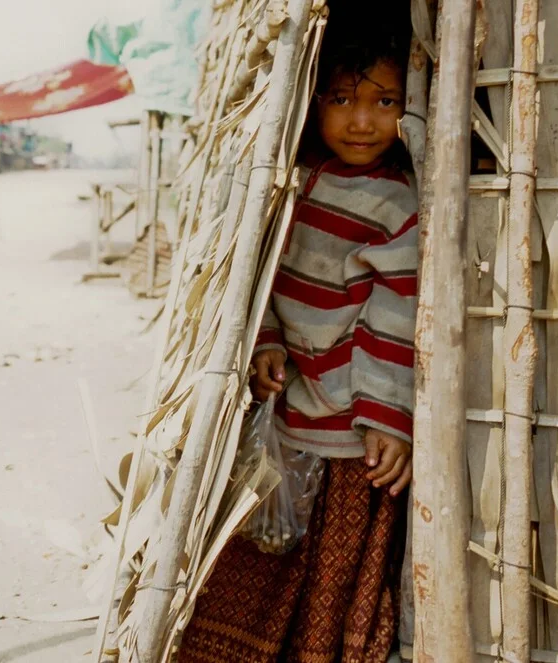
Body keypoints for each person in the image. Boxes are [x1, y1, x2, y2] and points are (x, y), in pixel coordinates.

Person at [178, 30, 418, 663]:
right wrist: (267, 343)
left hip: (353, 435)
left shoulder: (401, 206)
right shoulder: (290, 185)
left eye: (385, 101)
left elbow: (397, 317)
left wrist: (390, 417)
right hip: (282, 420)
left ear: (410, 108)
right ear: (312, 102)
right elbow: (254, 282)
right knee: (258, 559)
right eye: (341, 99)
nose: (362, 120)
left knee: (333, 583)